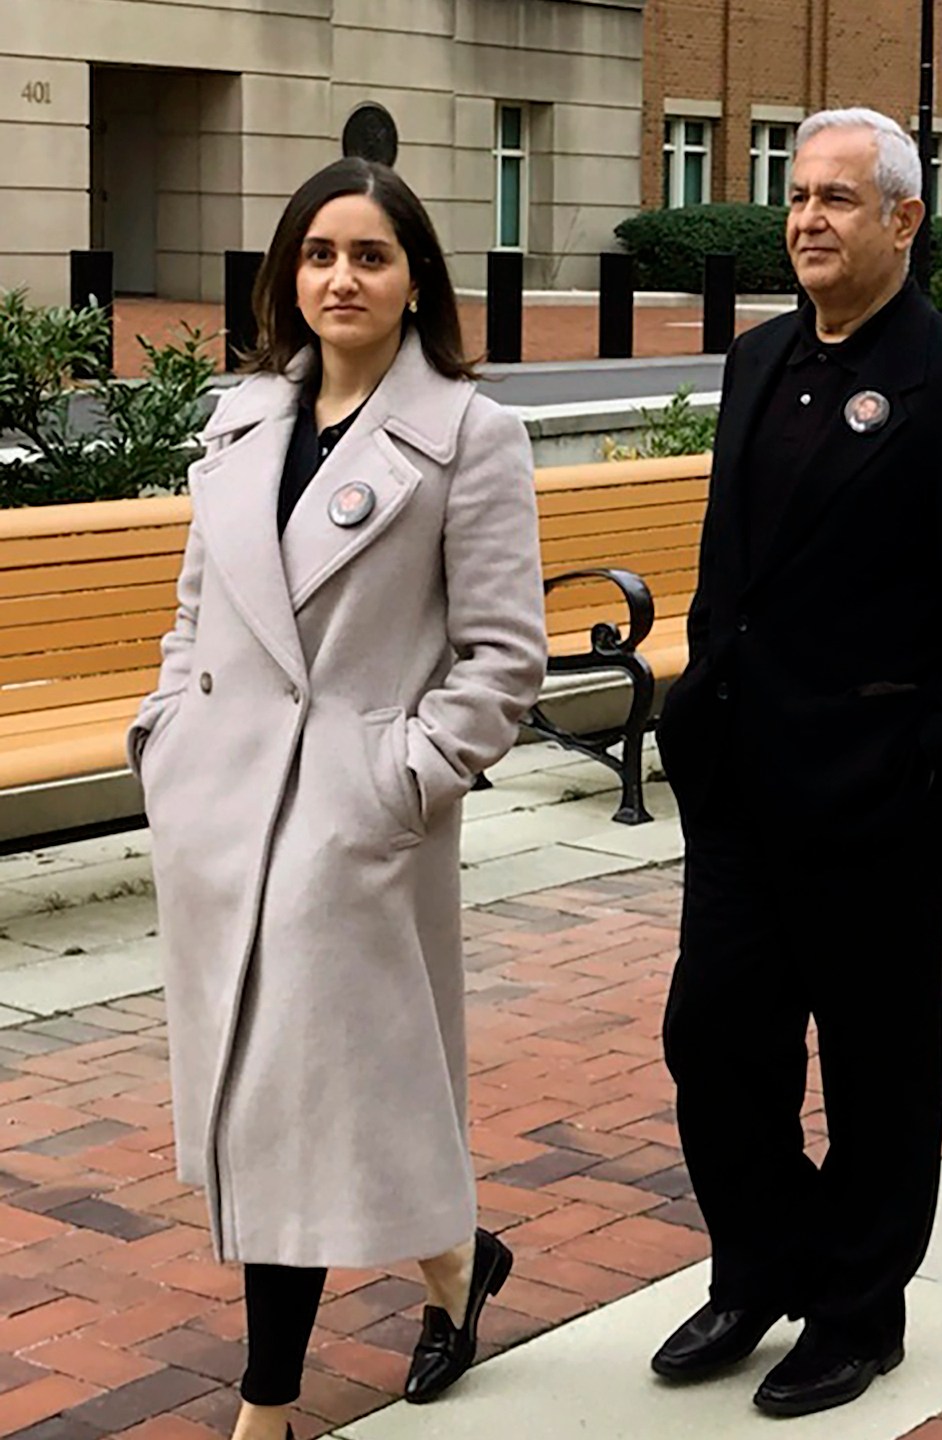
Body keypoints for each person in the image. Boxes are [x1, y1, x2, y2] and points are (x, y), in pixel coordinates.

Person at [128, 158, 547, 1440]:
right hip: (224, 815)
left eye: (369, 255)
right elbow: (199, 609)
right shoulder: (242, 418)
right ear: (286, 275)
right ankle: (456, 1265)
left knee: (292, 1114)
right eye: (319, 254)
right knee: (328, 1101)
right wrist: (167, 739)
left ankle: (267, 1406)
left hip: (348, 826)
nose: (341, 278)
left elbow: (503, 655)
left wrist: (398, 779)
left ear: (416, 276)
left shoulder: (471, 435)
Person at [650, 109, 942, 1417]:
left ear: (903, 220)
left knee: (875, 1068)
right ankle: (759, 1265)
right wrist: (700, 701)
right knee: (715, 1041)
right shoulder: (759, 359)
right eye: (799, 194)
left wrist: (933, 770)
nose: (807, 216)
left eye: (837, 197)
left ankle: (857, 1307)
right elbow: (732, 575)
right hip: (741, 784)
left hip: (879, 801)